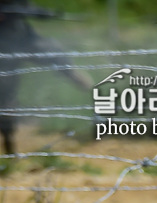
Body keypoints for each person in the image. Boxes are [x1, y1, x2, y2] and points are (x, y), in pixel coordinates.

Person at [0, 3, 90, 155]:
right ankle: (9, 148)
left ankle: (80, 79)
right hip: (3, 46)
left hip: (21, 34)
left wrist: (38, 12)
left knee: (52, 51)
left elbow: (20, 6)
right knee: (6, 92)